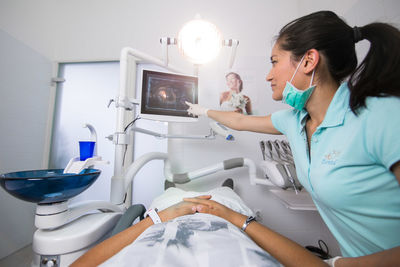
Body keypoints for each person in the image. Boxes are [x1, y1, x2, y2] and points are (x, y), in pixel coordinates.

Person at [186, 10, 400, 266]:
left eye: (275, 61)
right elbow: (240, 121)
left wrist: (342, 264)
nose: (268, 75)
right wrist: (202, 111)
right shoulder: (294, 121)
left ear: (308, 61)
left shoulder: (383, 115)